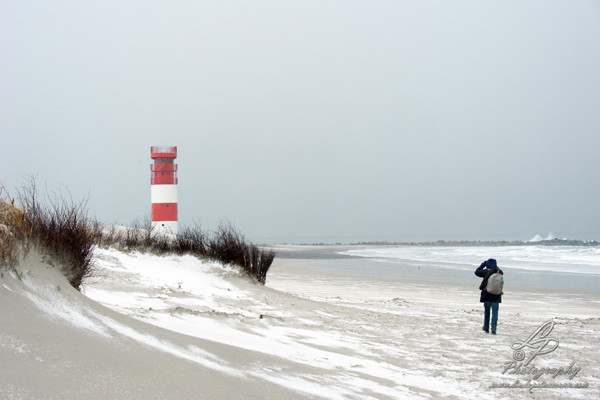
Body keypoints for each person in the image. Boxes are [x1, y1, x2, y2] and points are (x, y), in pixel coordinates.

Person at [475, 259, 503, 334]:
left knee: (487, 312)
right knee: (495, 313)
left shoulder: (485, 272)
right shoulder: (499, 272)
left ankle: (486, 327)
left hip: (487, 295)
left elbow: (477, 272)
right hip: (496, 296)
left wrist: (483, 264)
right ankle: (493, 329)